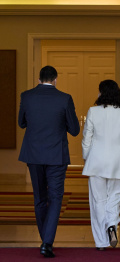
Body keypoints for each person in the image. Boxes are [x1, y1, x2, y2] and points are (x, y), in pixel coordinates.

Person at [18, 65, 80, 258]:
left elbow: (21, 123)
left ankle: (45, 239)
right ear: (55, 79)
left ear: (38, 79)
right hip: (56, 156)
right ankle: (47, 242)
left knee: (39, 198)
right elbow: (75, 130)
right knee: (55, 198)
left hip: (34, 155)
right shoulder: (64, 98)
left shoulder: (26, 96)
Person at [82, 79, 120, 250]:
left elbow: (87, 138)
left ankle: (101, 242)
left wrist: (86, 157)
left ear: (101, 93)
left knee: (98, 200)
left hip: (96, 161)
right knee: (115, 197)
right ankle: (112, 225)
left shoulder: (93, 111)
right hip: (116, 162)